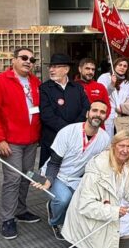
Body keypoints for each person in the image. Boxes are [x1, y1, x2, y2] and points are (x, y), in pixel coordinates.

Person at [0, 46, 42, 240]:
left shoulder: (35, 81)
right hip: (11, 142)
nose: (28, 62)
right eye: (24, 58)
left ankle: (21, 210)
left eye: (32, 60)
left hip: (31, 140)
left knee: (26, 176)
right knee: (13, 179)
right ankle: (8, 219)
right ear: (13, 60)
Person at [61, 131, 129, 248]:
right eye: (121, 145)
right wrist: (114, 211)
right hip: (87, 218)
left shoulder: (127, 164)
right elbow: (86, 206)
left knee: (128, 233)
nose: (125, 150)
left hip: (109, 209)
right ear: (113, 146)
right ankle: (83, 240)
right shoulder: (97, 169)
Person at [41, 100, 112, 239]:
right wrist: (48, 181)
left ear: (105, 117)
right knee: (63, 199)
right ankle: (56, 221)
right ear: (87, 113)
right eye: (95, 110)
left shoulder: (104, 138)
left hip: (77, 178)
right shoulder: (68, 131)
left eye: (102, 112)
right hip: (57, 174)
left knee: (86, 200)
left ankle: (63, 211)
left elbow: (100, 166)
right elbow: (54, 163)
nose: (98, 114)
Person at [38, 54, 89, 166]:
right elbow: (46, 115)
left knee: (72, 169)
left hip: (75, 138)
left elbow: (86, 108)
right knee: (49, 170)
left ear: (66, 69)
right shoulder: (44, 88)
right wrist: (69, 130)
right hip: (52, 139)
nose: (51, 70)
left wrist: (75, 129)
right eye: (50, 67)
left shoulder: (78, 88)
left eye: (56, 67)